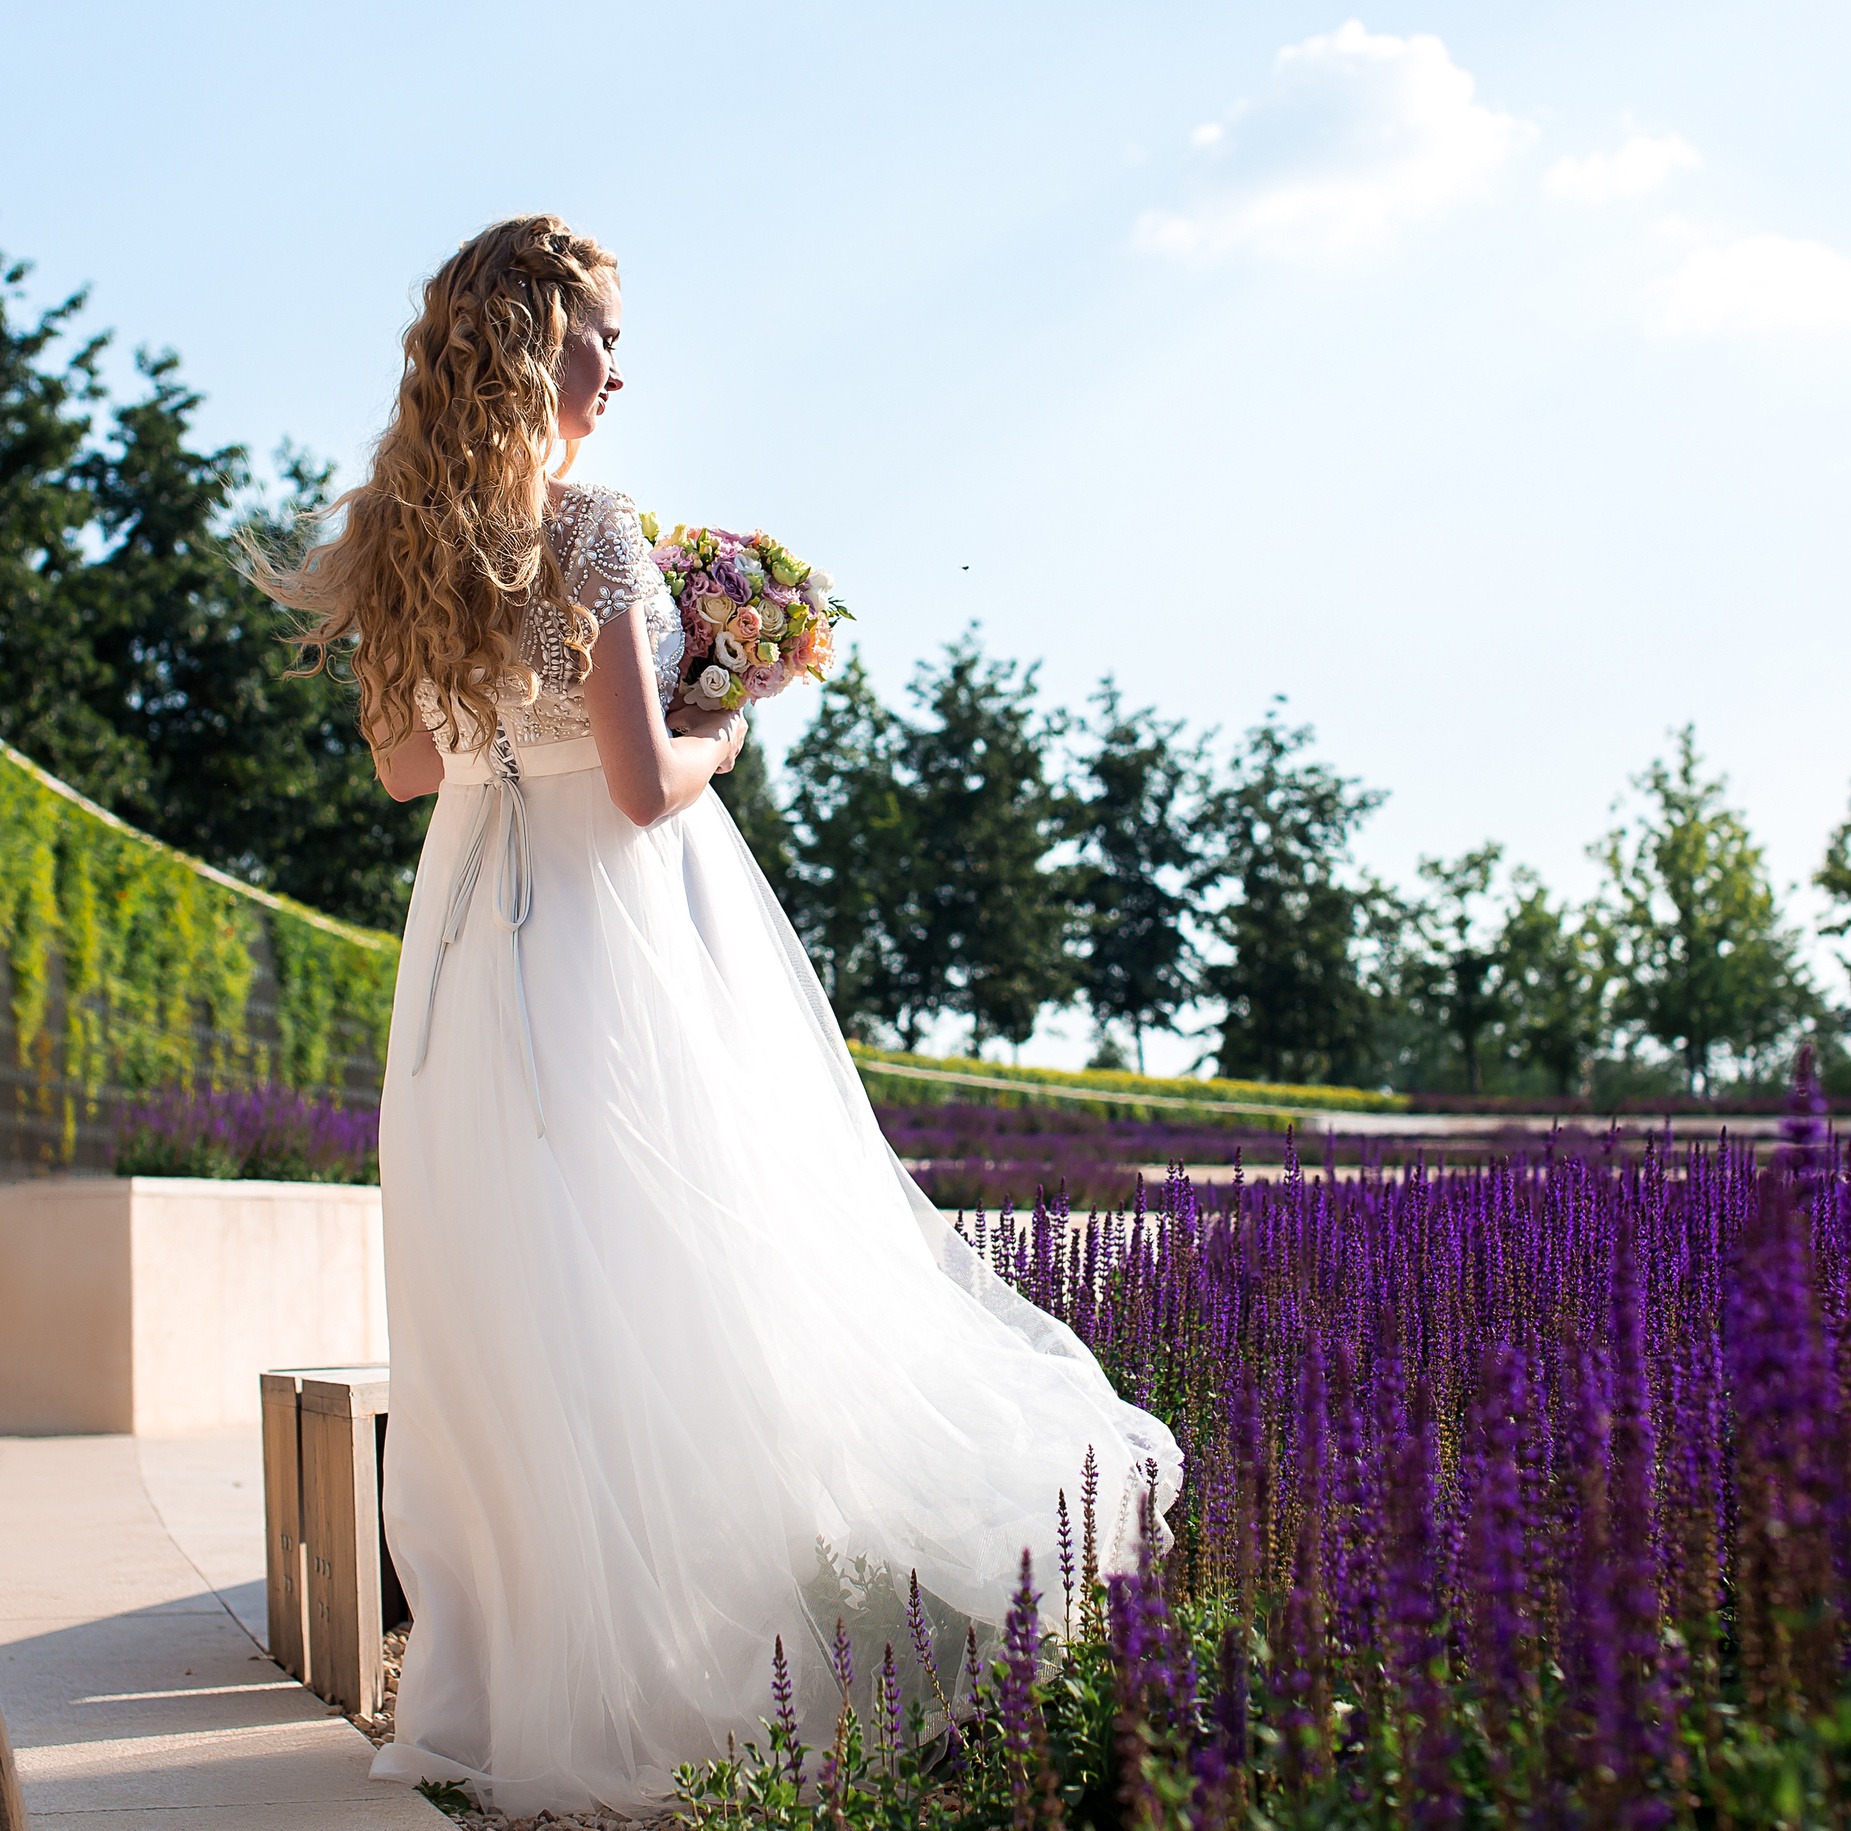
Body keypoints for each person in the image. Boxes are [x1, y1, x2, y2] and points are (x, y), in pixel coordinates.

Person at [250, 214, 1181, 1817]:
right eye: (601, 338)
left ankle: (519, 1684)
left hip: (466, 950)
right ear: (537, 344)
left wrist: (507, 745)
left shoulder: (411, 537)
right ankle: (708, 1668)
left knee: (517, 1310)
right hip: (613, 939)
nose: (620, 370)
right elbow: (639, 785)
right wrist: (725, 728)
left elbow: (406, 769)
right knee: (691, 1267)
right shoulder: (593, 530)